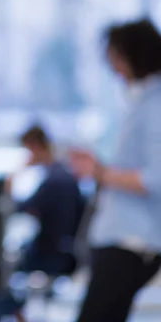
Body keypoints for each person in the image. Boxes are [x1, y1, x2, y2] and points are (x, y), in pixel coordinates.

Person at [69, 19, 161, 322]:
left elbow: (156, 178)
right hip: (124, 239)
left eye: (116, 58)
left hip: (133, 242)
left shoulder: (155, 104)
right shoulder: (143, 101)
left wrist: (100, 173)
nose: (113, 68)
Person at [8, 125, 85, 276]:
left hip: (51, 255)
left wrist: (15, 175)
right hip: (63, 249)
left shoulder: (54, 181)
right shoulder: (63, 174)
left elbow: (22, 208)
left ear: (34, 147)